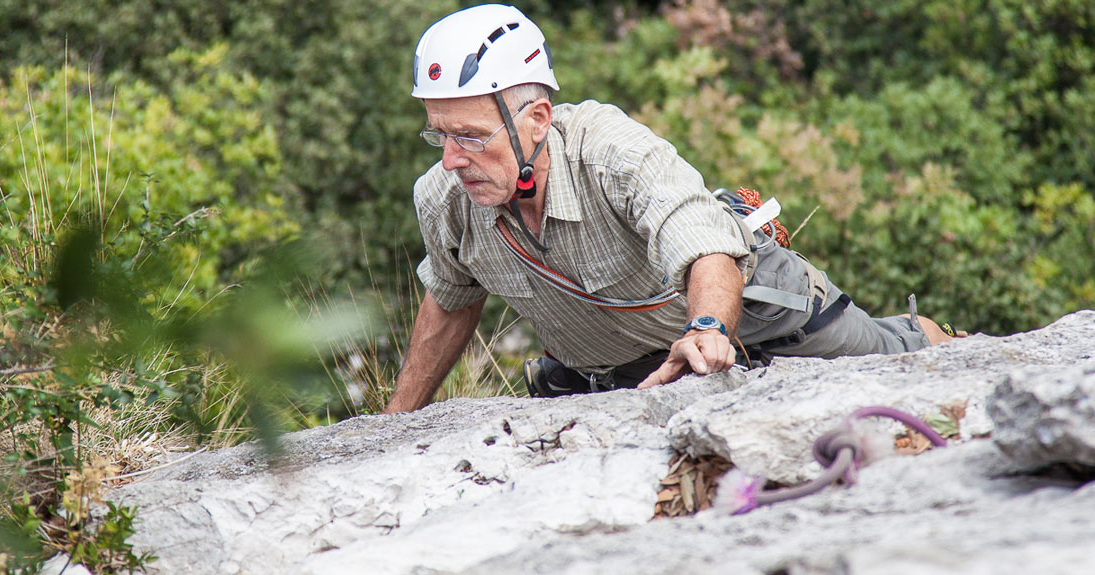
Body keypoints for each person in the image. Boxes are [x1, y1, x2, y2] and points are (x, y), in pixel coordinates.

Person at [382, 4, 955, 414]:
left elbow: (701, 242)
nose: (453, 158)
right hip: (631, 366)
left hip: (760, 311)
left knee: (893, 366)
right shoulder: (442, 199)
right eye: (439, 135)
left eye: (472, 136)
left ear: (537, 119)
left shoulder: (612, 153)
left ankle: (925, 334)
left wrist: (708, 327)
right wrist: (395, 422)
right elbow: (451, 300)